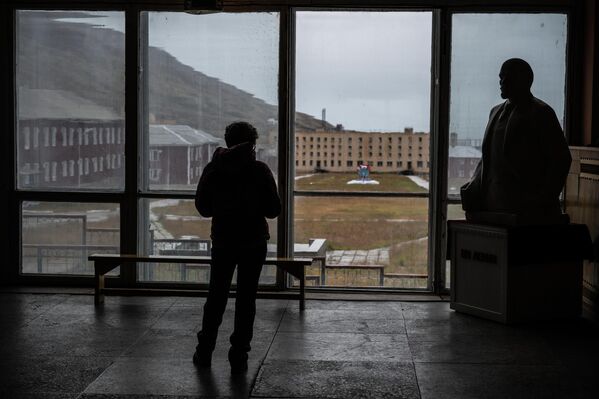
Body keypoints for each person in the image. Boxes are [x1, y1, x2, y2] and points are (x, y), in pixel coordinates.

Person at [193, 121, 281, 373]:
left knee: (216, 296)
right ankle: (239, 354)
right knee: (246, 299)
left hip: (223, 240)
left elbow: (203, 208)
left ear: (228, 141)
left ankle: (205, 349)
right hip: (253, 242)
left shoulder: (214, 168)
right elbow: (273, 210)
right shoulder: (259, 170)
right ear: (252, 144)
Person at [460, 58, 571, 218]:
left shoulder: (541, 113)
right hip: (492, 208)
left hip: (527, 212)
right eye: (500, 77)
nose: (502, 82)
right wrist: (474, 188)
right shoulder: (494, 112)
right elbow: (489, 158)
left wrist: (543, 200)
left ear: (525, 80)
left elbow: (561, 160)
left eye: (508, 77)